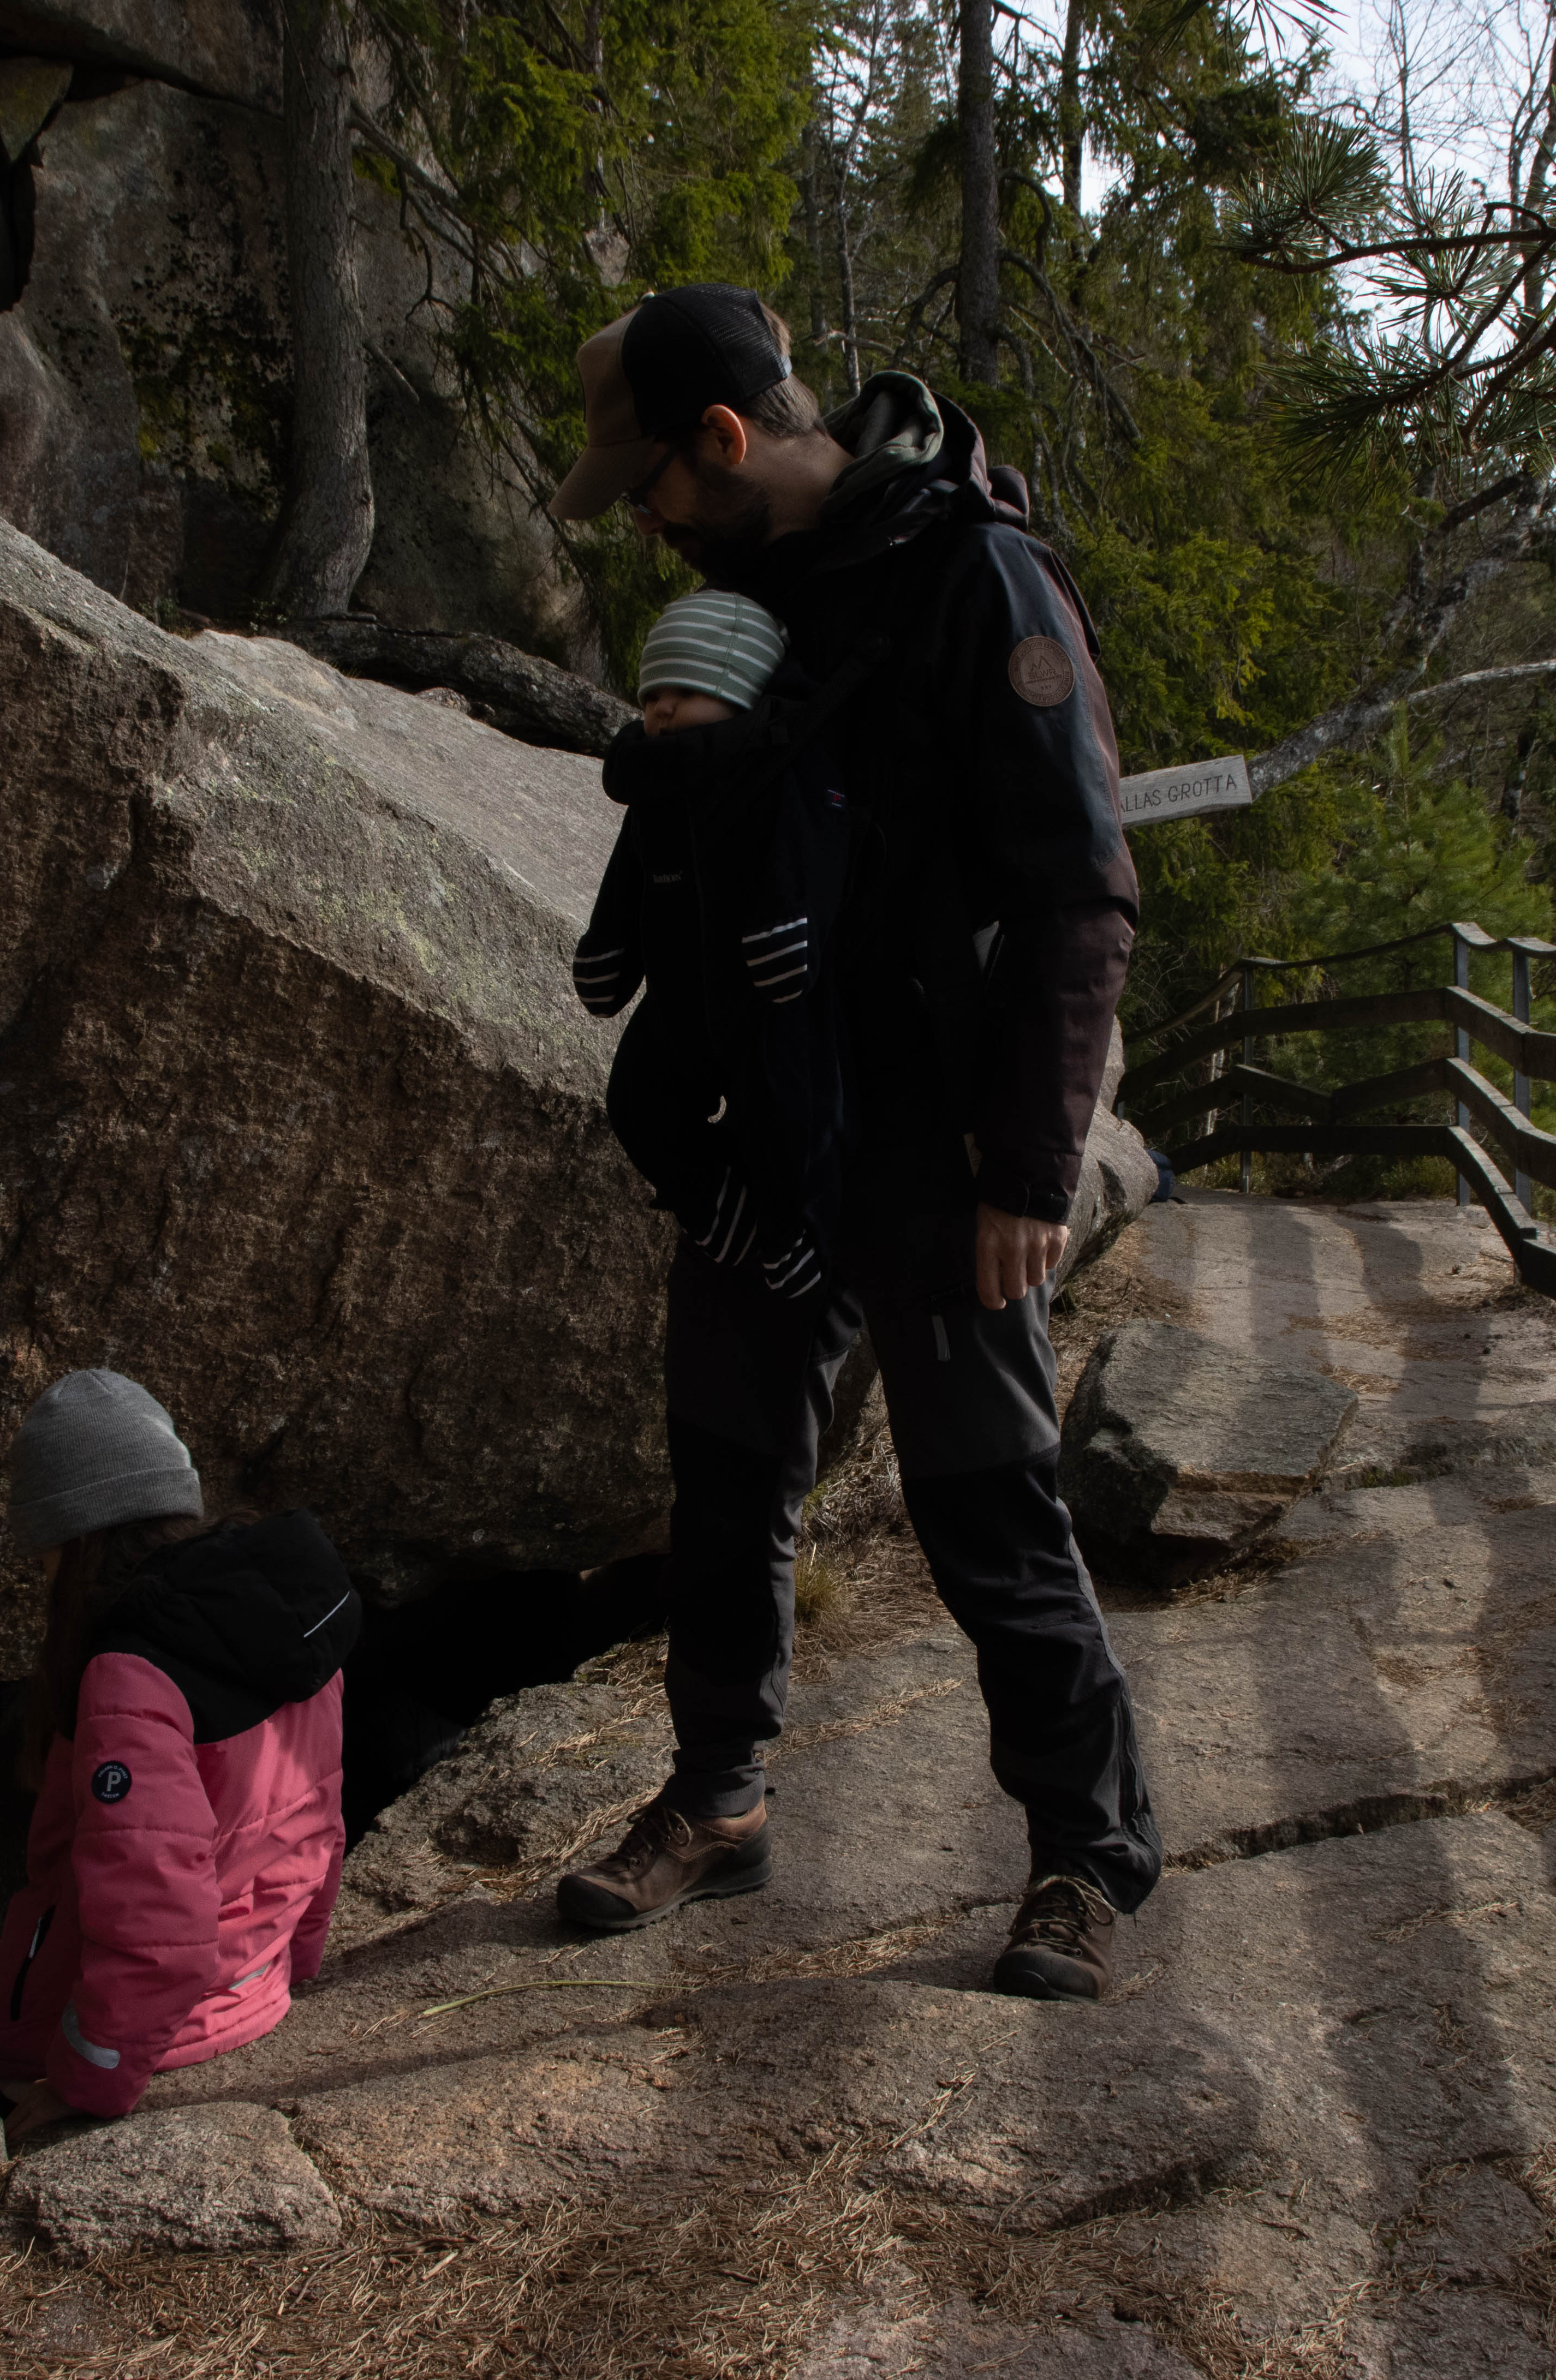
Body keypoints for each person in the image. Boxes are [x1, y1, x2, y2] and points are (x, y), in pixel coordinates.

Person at [542, 283, 1155, 2001]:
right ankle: (721, 1801)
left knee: (988, 1506)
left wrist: (1033, 1164)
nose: (650, 529)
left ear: (723, 443)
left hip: (942, 1147)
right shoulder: (755, 605)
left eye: (652, 487)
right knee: (730, 1473)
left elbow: (1081, 888)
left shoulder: (974, 578)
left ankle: (1085, 1858)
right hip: (770, 1131)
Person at [0, 1370, 360, 2125]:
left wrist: (85, 2084)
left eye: (46, 1556)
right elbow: (320, 1820)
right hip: (256, 1989)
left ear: (80, 1539)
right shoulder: (297, 1624)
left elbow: (157, 1922)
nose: (43, 1578)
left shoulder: (130, 1676)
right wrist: (296, 1966)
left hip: (137, 2046)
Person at [575, 588, 842, 1297]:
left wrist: (792, 923)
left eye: (688, 690)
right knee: (635, 1101)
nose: (663, 708)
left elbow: (810, 851)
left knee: (788, 1123)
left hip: (761, 1002)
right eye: (653, 692)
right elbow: (630, 873)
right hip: (677, 1002)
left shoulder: (779, 771)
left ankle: (792, 1234)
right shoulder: (655, 791)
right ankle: (714, 1204)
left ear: (739, 690)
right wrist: (610, 949)